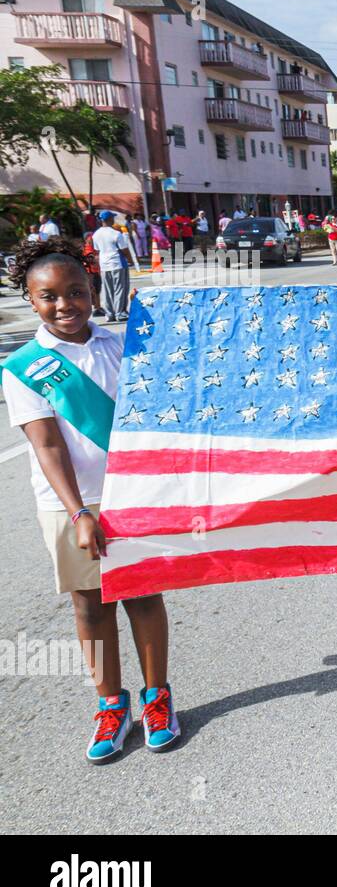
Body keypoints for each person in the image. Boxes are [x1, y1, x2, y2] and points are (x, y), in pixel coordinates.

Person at [1, 238, 180, 762]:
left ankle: (157, 697)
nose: (65, 305)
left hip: (134, 492)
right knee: (91, 603)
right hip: (69, 504)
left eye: (76, 291)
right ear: (31, 300)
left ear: (93, 289)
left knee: (145, 595)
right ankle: (110, 703)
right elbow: (48, 444)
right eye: (49, 296)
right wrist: (80, 513)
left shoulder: (122, 344)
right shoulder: (24, 367)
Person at [90, 210, 130, 322]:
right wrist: (130, 260)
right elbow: (124, 249)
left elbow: (97, 250)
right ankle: (120, 312)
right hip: (117, 263)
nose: (113, 220)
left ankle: (110, 313)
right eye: (112, 218)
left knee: (107, 290)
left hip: (104, 264)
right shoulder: (116, 233)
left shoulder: (96, 234)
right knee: (120, 289)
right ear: (109, 219)